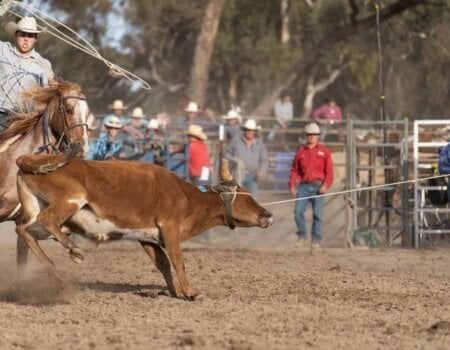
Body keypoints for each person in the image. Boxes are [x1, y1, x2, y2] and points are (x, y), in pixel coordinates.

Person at [0, 16, 54, 131]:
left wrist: (53, 85)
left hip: (22, 120)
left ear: (35, 39)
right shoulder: (2, 49)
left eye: (30, 36)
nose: (26, 39)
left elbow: (48, 93)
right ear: (16, 35)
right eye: (23, 34)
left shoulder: (43, 64)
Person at [289, 122, 334, 250]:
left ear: (318, 136)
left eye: (314, 134)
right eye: (309, 134)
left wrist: (326, 184)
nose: (311, 137)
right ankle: (302, 235)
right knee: (298, 212)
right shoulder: (301, 152)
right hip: (303, 186)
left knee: (318, 215)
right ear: (306, 136)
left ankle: (315, 241)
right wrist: (292, 185)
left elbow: (329, 171)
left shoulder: (324, 152)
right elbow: (294, 170)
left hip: (318, 186)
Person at [226, 119, 269, 199]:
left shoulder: (260, 144)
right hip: (237, 175)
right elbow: (227, 154)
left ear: (255, 132)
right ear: (244, 130)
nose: (250, 132)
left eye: (252, 130)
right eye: (248, 130)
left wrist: (262, 170)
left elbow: (264, 160)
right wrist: (235, 160)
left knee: (253, 200)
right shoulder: (236, 141)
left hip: (253, 176)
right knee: (237, 200)